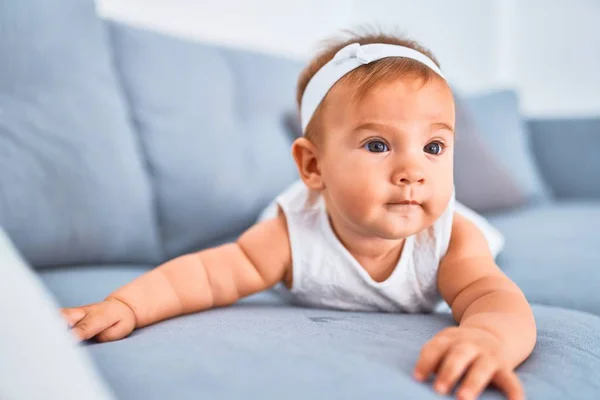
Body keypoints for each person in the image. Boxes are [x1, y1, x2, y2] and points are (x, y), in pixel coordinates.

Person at [61, 30, 536, 400]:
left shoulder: (451, 240)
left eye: (434, 146)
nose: (412, 171)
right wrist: (124, 306)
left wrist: (489, 339)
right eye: (377, 144)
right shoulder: (290, 235)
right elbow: (205, 275)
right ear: (313, 166)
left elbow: (495, 301)